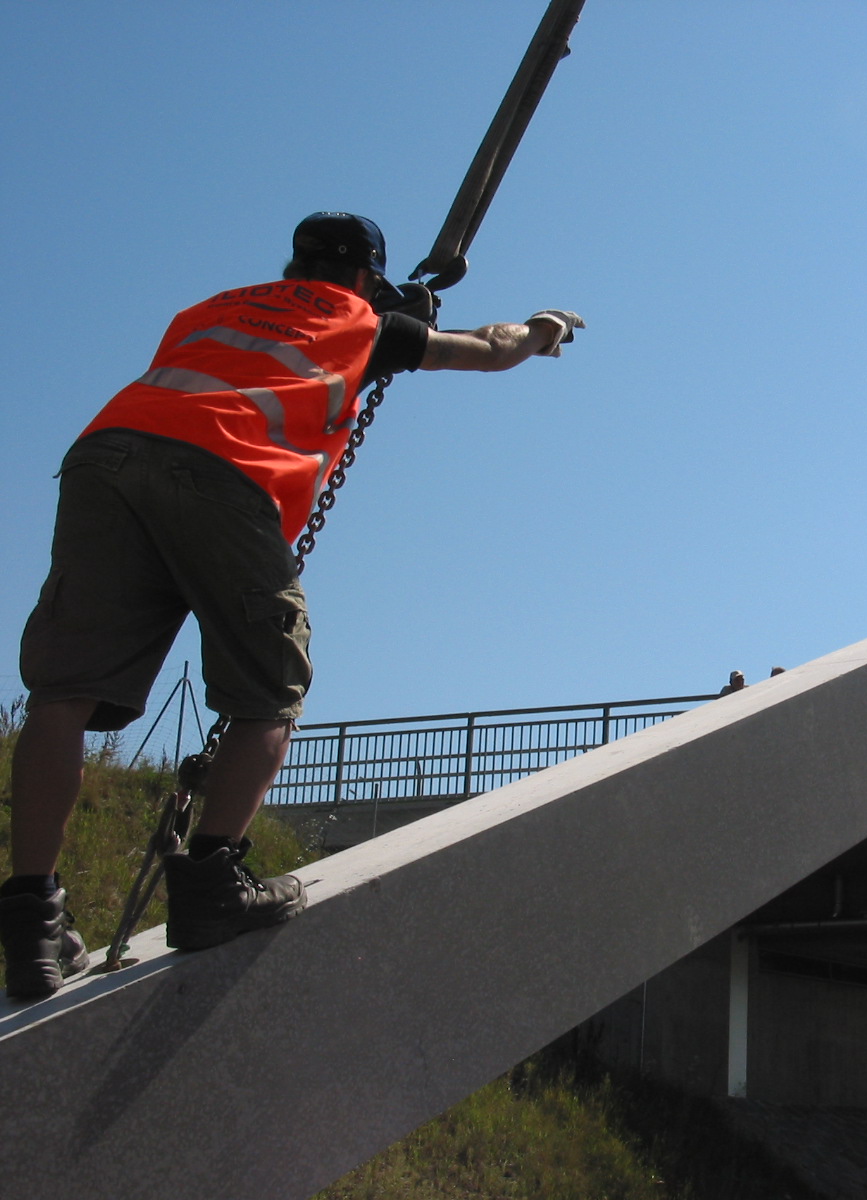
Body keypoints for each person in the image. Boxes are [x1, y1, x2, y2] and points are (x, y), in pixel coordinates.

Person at [1, 212, 584, 1000]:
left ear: (294, 263)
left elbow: (267, 356)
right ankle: (210, 889)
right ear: (368, 279)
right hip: (227, 469)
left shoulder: (212, 308)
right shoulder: (363, 321)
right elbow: (489, 347)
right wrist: (540, 329)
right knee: (270, 689)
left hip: (108, 455)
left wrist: (388, 317)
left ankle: (31, 920)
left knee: (61, 693)